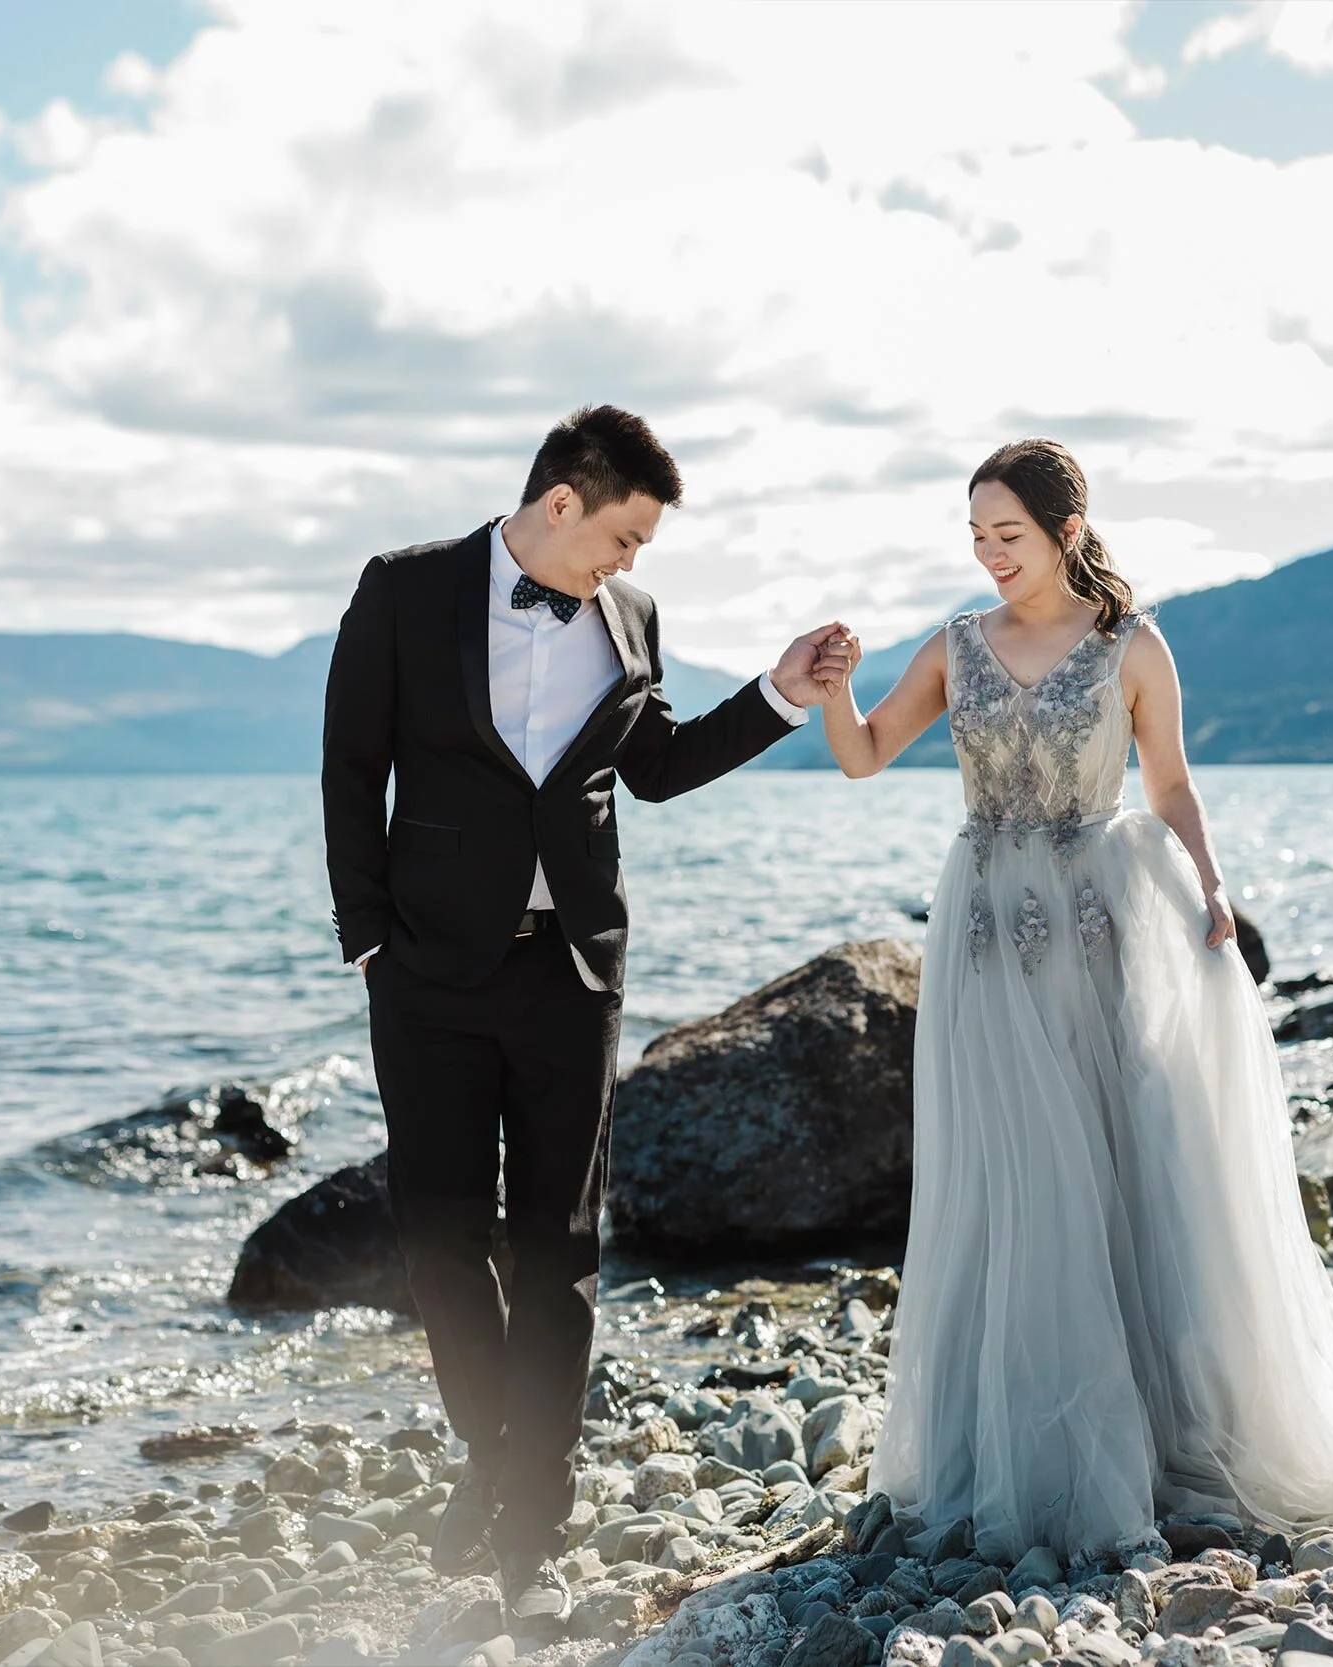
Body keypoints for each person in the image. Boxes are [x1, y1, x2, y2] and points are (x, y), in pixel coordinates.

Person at [814, 438, 1333, 1561]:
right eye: (974, 535)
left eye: (1006, 534)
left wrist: (1210, 885)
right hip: (983, 930)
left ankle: (1152, 1433)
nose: (988, 555)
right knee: (1011, 1172)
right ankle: (1010, 1443)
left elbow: (1167, 784)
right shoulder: (955, 646)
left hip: (1101, 920)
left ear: (1066, 530)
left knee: (1118, 1157)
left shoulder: (1131, 645)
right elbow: (867, 753)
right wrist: (831, 694)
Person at [320, 405, 854, 1620]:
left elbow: (653, 765)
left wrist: (776, 693)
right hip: (427, 973)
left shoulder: (633, 618)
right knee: (440, 1234)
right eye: (622, 536)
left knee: (559, 1248)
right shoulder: (403, 590)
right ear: (562, 501)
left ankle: (533, 1522)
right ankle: (495, 1457)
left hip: (571, 971)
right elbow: (349, 767)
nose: (629, 564)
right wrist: (367, 941)